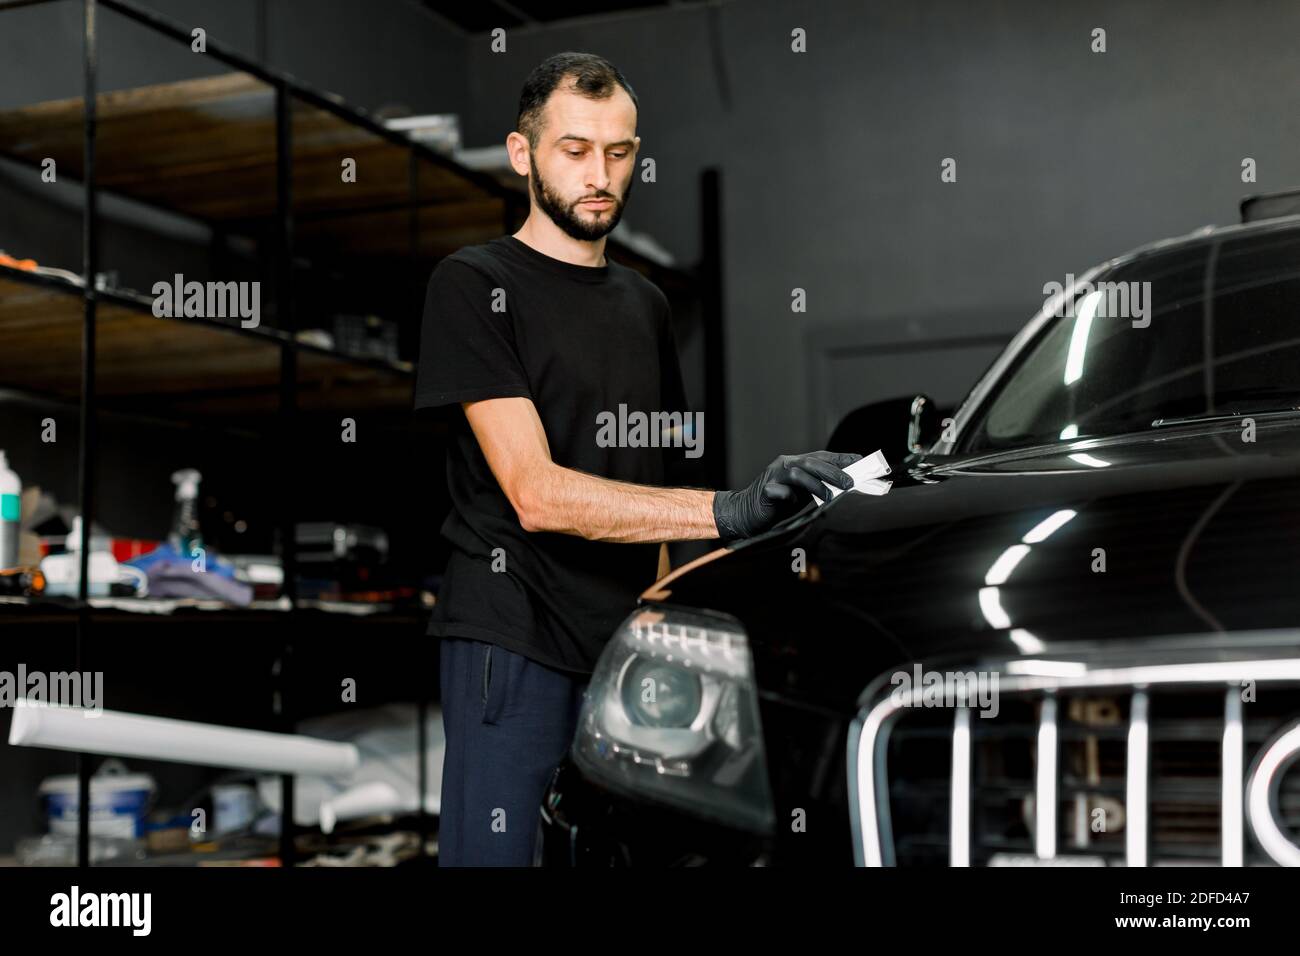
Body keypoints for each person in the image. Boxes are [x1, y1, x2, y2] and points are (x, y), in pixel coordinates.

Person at [414, 51, 859, 866]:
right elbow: (536, 493)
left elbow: (647, 488)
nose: (600, 173)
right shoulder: (473, 286)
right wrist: (728, 510)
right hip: (512, 639)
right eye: (574, 149)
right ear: (523, 155)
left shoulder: (644, 304)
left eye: (618, 153)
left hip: (620, 640)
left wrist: (662, 627)